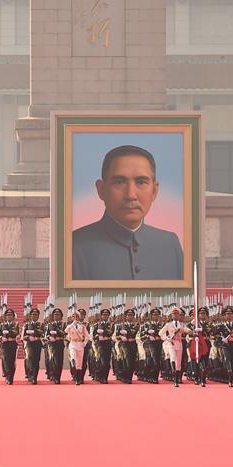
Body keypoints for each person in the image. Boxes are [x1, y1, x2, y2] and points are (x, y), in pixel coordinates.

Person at [72, 145, 184, 281]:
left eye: (141, 182)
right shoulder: (73, 246)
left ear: (154, 191)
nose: (130, 195)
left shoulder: (170, 244)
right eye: (119, 182)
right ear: (101, 189)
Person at [65, 308, 91, 385]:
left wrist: (85, 343)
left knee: (79, 363)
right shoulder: (70, 325)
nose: (76, 318)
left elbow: (87, 336)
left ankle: (78, 379)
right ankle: (73, 365)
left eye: (77, 316)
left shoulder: (82, 326)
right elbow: (66, 331)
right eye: (74, 316)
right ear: (72, 317)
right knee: (73, 357)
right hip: (73, 344)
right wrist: (73, 323)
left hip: (80, 345)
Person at [113, 308, 139, 384]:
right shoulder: (120, 326)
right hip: (124, 344)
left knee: (132, 361)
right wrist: (121, 337)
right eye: (129, 315)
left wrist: (127, 332)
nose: (130, 317)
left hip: (133, 344)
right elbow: (116, 336)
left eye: (132, 315)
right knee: (126, 360)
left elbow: (135, 333)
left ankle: (129, 377)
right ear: (126, 316)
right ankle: (125, 377)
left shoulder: (136, 325)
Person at [139, 307, 163, 383]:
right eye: (154, 315)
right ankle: (150, 375)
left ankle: (155, 377)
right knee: (151, 360)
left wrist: (158, 337)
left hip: (158, 343)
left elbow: (164, 334)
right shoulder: (146, 325)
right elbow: (141, 336)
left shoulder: (161, 325)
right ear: (151, 316)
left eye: (157, 315)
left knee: (157, 360)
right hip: (148, 344)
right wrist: (148, 336)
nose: (156, 316)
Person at [90, 307, 114, 383]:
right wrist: (97, 336)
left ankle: (105, 377)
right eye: (103, 315)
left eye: (107, 315)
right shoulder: (97, 324)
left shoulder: (111, 324)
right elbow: (93, 335)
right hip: (99, 344)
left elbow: (111, 333)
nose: (105, 316)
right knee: (101, 361)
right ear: (101, 316)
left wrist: (103, 331)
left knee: (107, 362)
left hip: (107, 344)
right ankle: (101, 376)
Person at [0, 309, 20, 385]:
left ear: (13, 317)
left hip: (13, 344)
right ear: (5, 317)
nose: (9, 316)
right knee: (6, 360)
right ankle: (8, 376)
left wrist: (9, 332)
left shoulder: (16, 324)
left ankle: (11, 377)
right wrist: (0, 338)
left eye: (10, 315)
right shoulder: (2, 325)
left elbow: (16, 333)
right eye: (7, 315)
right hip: (5, 345)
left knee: (12, 361)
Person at [44, 308, 66, 384]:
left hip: (59, 344)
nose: (56, 316)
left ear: (61, 316)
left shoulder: (64, 324)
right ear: (52, 316)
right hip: (51, 345)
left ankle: (58, 376)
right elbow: (45, 335)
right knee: (52, 360)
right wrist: (49, 338)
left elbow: (65, 334)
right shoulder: (49, 325)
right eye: (55, 314)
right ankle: (54, 375)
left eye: (58, 314)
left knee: (59, 361)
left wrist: (57, 331)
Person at [22, 308, 44, 384]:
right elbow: (23, 336)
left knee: (36, 361)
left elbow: (42, 333)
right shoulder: (27, 324)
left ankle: (35, 377)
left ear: (38, 316)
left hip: (37, 343)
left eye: (36, 314)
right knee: (30, 359)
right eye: (33, 314)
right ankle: (31, 375)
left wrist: (33, 332)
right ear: (30, 316)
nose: (34, 316)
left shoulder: (41, 324)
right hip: (29, 344)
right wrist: (28, 337)